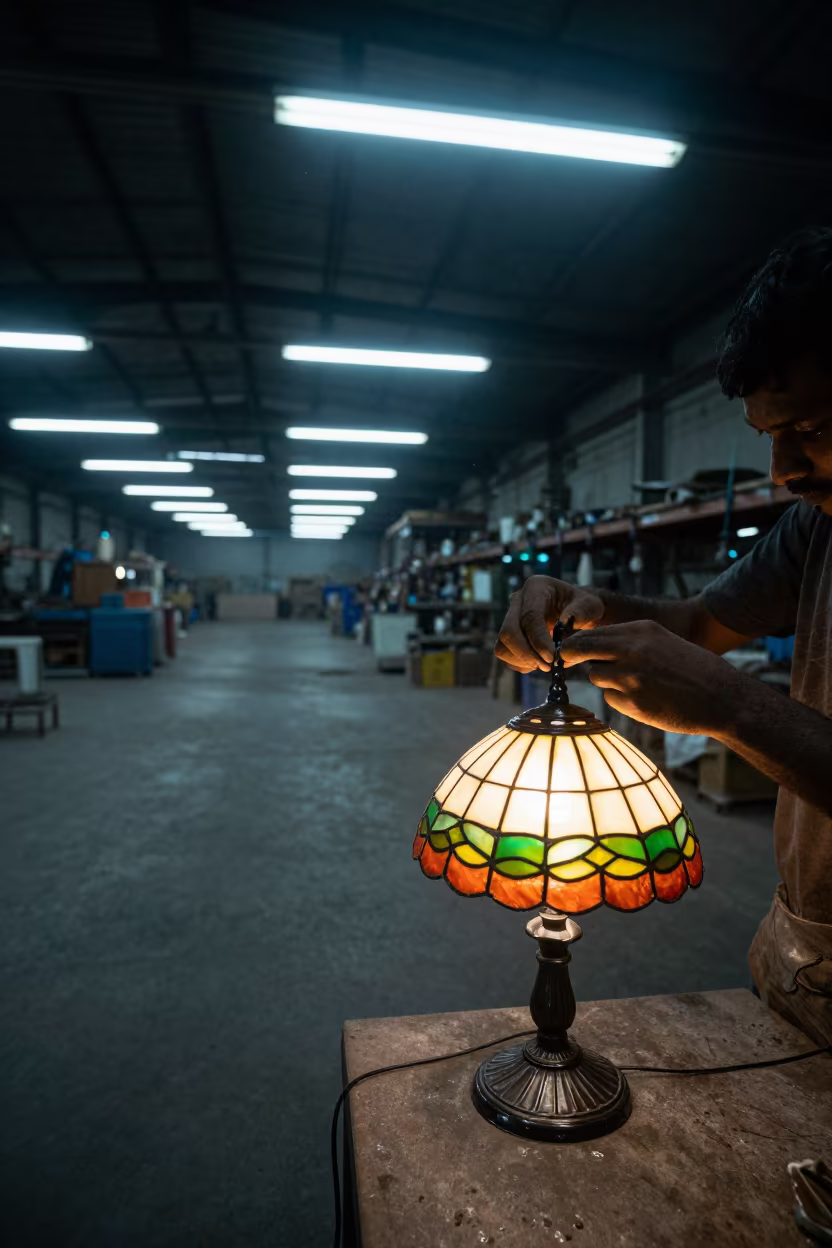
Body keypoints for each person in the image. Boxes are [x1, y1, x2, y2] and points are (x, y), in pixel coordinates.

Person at [496, 227, 832, 1046]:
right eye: (769, 437)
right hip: (807, 945)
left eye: (815, 427)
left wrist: (732, 708)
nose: (786, 469)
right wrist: (590, 601)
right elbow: (700, 623)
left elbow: (715, 676)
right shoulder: (816, 528)